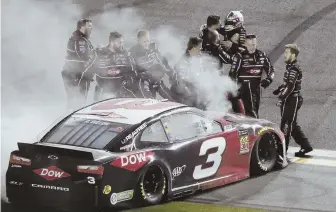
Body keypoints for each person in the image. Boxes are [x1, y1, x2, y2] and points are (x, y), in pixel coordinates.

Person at [273, 44, 313, 156]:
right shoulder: (290, 67)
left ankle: (282, 151)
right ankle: (306, 146)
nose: (284, 55)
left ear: (293, 54)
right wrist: (279, 89)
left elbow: (290, 86)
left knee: (286, 124)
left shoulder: (294, 68)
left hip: (292, 100)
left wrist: (281, 97)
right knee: (292, 124)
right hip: (290, 98)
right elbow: (287, 84)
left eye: (286, 53)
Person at [229, 34, 274, 118]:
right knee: (251, 112)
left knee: (255, 110)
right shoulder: (239, 56)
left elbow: (271, 70)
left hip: (257, 87)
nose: (252, 47)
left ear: (257, 43)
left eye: (253, 44)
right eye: (249, 45)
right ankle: (255, 127)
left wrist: (268, 79)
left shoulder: (262, 55)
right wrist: (235, 88)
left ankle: (254, 126)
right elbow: (232, 74)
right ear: (245, 44)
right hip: (244, 87)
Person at [129, 30, 175, 100]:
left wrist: (171, 73)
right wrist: (141, 75)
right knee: (149, 100)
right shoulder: (133, 51)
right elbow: (132, 70)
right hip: (143, 81)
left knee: (171, 98)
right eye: (144, 41)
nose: (147, 43)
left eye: (148, 40)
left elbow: (162, 61)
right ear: (138, 41)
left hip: (155, 78)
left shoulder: (153, 47)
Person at [62, 18, 96, 109]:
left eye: (91, 27)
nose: (91, 29)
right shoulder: (80, 40)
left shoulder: (81, 39)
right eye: (88, 26)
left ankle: (70, 117)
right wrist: (96, 52)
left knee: (74, 101)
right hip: (77, 75)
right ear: (81, 27)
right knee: (78, 101)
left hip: (74, 74)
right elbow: (84, 56)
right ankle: (73, 119)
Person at [94, 32, 138, 101]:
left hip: (122, 90)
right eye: (119, 42)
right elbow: (91, 68)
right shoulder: (100, 53)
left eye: (122, 42)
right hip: (104, 90)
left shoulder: (126, 54)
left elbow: (132, 71)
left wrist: (127, 82)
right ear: (112, 42)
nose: (122, 44)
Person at [171, 37, 204, 108]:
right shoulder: (183, 62)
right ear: (194, 48)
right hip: (182, 95)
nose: (201, 51)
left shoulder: (197, 58)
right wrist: (189, 93)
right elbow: (179, 81)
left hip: (193, 90)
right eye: (200, 48)